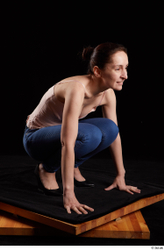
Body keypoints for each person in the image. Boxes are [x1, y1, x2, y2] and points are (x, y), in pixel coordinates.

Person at [23, 42, 141, 215]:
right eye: (118, 69)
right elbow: (67, 142)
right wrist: (68, 194)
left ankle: (72, 165)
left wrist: (120, 176)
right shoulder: (76, 89)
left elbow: (114, 137)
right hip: (35, 138)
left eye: (126, 68)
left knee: (111, 129)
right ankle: (46, 169)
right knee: (89, 134)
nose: (125, 75)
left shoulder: (108, 93)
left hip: (63, 133)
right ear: (97, 71)